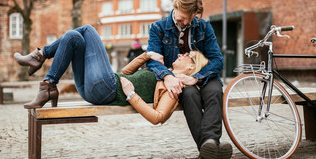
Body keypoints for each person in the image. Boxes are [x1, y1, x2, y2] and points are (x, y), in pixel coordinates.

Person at [13, 24, 208, 125]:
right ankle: (48, 84)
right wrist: (146, 55)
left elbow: (158, 117)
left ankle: (39, 56)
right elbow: (126, 72)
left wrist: (132, 95)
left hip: (108, 88)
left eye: (187, 56)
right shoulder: (163, 71)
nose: (181, 54)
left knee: (88, 29)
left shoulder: (174, 88)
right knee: (73, 37)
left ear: (191, 67)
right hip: (92, 88)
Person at [146, 0, 232, 159]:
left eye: (185, 19)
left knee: (215, 92)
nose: (180, 21)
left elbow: (217, 60)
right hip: (178, 80)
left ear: (194, 15)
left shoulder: (204, 27)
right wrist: (167, 76)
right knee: (190, 95)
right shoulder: (158, 27)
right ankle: (213, 153)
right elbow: (151, 59)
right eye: (178, 16)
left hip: (204, 76)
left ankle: (208, 147)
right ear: (174, 8)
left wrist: (196, 77)